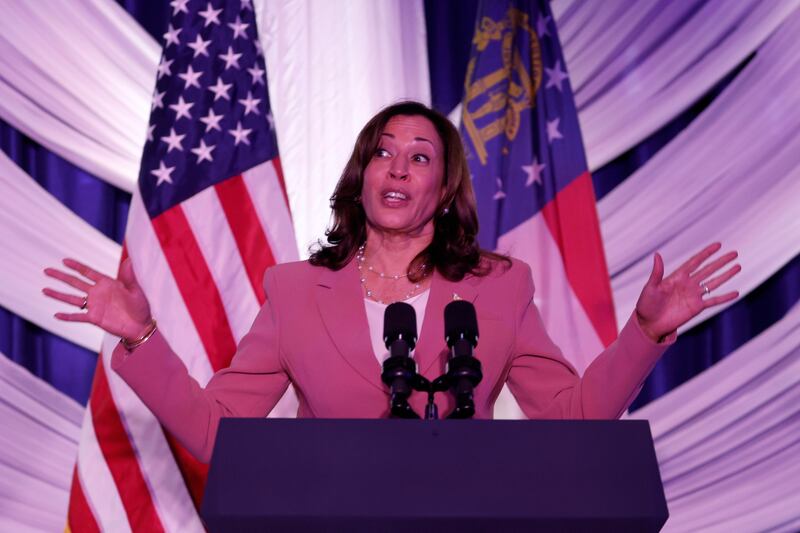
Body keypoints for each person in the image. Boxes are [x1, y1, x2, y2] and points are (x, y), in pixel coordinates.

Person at [43, 101, 740, 463]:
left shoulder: (500, 286)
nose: (398, 167)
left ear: (443, 190)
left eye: (419, 156)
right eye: (382, 152)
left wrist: (645, 331)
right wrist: (142, 332)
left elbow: (572, 421)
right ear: (362, 176)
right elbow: (218, 433)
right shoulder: (293, 290)